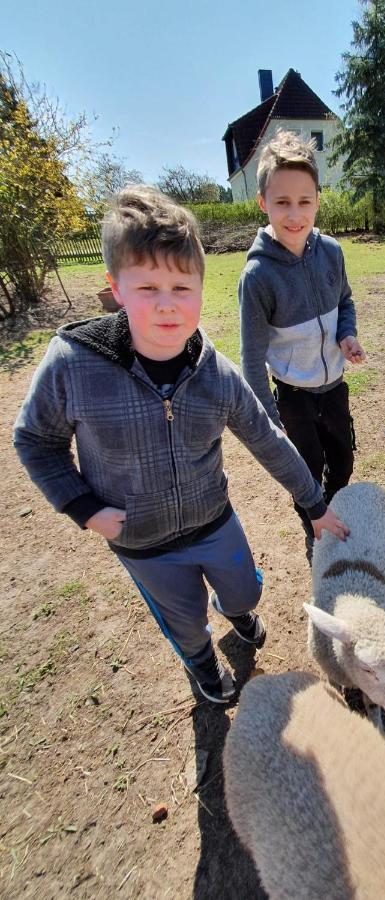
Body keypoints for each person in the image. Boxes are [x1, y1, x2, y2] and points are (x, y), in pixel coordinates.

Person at [13, 186, 347, 705]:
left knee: (245, 590)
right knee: (184, 621)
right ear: (115, 288)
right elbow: (35, 440)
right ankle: (202, 664)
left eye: (181, 287)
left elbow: (266, 436)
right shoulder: (72, 365)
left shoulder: (214, 373)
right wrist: (83, 507)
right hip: (141, 543)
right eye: (147, 287)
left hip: (214, 519)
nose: (167, 306)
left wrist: (314, 503)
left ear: (200, 287)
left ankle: (236, 612)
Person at [238, 130, 365, 558]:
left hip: (335, 389)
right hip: (293, 397)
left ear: (317, 200)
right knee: (304, 474)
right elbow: (252, 362)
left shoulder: (331, 252)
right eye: (282, 202)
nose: (295, 214)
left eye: (304, 201)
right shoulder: (257, 278)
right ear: (263, 203)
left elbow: (344, 300)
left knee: (343, 462)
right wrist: (273, 423)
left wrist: (347, 334)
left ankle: (334, 507)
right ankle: (314, 526)